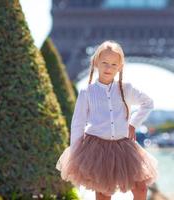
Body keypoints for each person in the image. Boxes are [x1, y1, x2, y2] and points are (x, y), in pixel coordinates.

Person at [56, 40, 158, 200]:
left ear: (120, 67)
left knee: (141, 188)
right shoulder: (87, 92)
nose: (108, 68)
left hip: (125, 147)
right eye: (104, 63)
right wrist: (75, 155)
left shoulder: (126, 89)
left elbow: (148, 103)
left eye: (113, 64)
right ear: (96, 62)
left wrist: (133, 124)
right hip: (97, 149)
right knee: (103, 193)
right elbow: (78, 124)